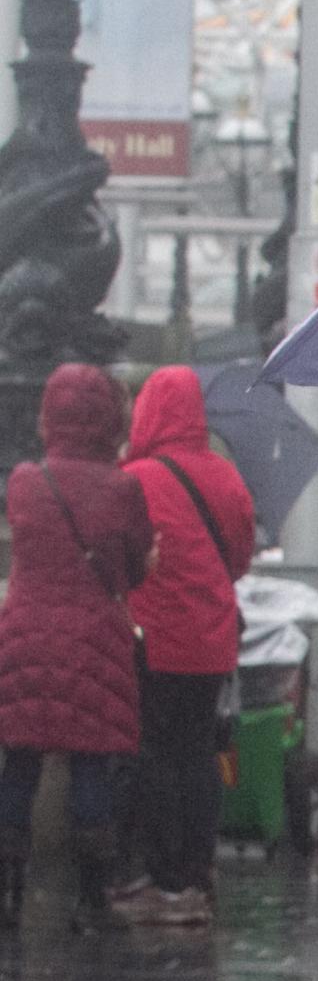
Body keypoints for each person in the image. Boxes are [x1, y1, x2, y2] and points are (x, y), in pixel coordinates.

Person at [0, 366, 153, 932]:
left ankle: (9, 892)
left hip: (25, 634)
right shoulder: (123, 488)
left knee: (18, 765)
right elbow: (133, 569)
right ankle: (91, 900)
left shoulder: (24, 480)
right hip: (94, 640)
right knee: (92, 766)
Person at [118, 366, 257, 926]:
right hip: (212, 643)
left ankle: (164, 879)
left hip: (154, 642)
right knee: (199, 755)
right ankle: (198, 874)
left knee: (154, 755)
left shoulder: (135, 477)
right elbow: (241, 558)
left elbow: (125, 560)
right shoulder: (224, 477)